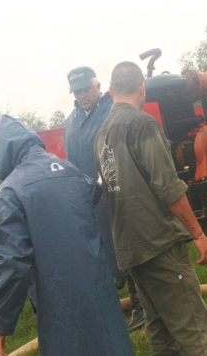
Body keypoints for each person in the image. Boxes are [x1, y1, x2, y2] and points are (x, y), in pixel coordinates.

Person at [0, 115, 134, 356]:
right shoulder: (69, 169)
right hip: (99, 286)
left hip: (58, 298)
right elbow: (92, 190)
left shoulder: (10, 191)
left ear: (3, 153)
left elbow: (13, 262)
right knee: (110, 342)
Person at [95, 62, 207, 356]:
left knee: (160, 328)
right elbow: (168, 187)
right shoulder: (143, 124)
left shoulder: (101, 135)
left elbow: (104, 189)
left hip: (130, 247)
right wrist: (198, 233)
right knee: (193, 329)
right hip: (158, 244)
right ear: (142, 89)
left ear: (110, 92)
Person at [64, 66, 145, 331]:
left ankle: (141, 305)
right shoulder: (72, 121)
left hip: (119, 193)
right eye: (77, 91)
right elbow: (72, 161)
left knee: (126, 247)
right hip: (90, 200)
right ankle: (113, 307)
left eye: (86, 88)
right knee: (102, 251)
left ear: (98, 86)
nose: (82, 95)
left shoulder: (111, 110)